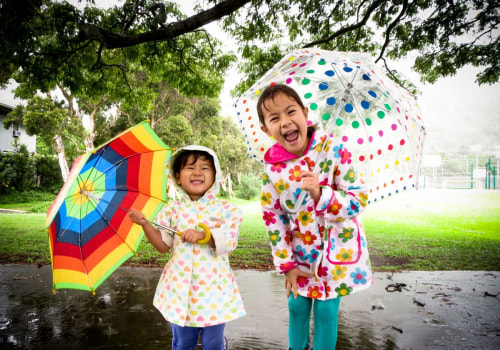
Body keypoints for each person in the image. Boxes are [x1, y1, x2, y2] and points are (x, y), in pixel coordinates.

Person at [256, 84, 372, 350]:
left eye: (290, 112)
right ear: (266, 129)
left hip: (335, 255)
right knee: (296, 306)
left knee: (326, 313)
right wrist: (286, 264)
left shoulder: (334, 150)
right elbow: (273, 216)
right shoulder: (273, 168)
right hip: (300, 257)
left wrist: (323, 195)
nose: (285, 122)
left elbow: (358, 199)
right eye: (274, 118)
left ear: (305, 113)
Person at [128, 145, 246, 350]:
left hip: (213, 291)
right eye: (190, 168)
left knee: (213, 343)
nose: (197, 172)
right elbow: (163, 246)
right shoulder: (172, 210)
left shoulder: (227, 210)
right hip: (180, 290)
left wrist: (204, 235)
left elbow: (230, 241)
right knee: (183, 342)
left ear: (215, 175)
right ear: (177, 176)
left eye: (205, 168)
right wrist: (145, 224)